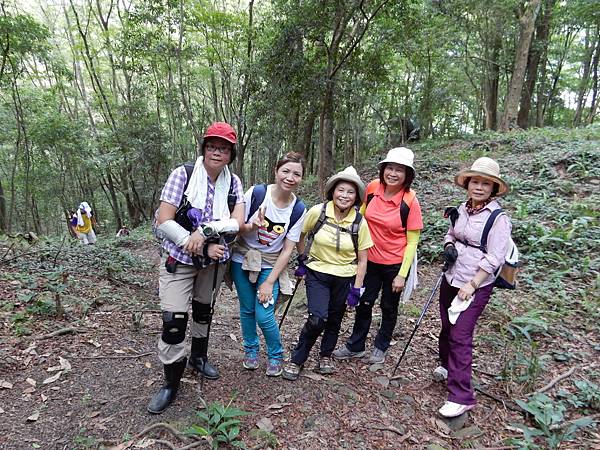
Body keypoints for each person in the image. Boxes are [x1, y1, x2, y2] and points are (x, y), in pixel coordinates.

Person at [148, 122, 245, 414]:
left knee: (204, 311)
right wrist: (194, 240)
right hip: (179, 258)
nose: (218, 152)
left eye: (224, 148)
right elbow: (164, 219)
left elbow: (236, 222)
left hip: (214, 260)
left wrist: (205, 231)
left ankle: (198, 359)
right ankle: (170, 383)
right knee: (174, 321)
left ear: (231, 154)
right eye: (213, 146)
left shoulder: (234, 183)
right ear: (204, 148)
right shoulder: (183, 174)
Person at [435, 157, 511, 418]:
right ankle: (447, 365)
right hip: (451, 276)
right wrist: (448, 247)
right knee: (447, 325)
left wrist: (473, 283)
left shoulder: (499, 219)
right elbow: (451, 234)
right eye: (475, 181)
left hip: (475, 284)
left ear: (493, 188)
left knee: (460, 334)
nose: (479, 187)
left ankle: (461, 396)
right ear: (467, 184)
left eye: (485, 183)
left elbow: (495, 257)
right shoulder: (463, 208)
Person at [333, 147, 423, 364]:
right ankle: (356, 345)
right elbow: (361, 215)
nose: (393, 173)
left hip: (394, 263)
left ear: (407, 174)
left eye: (399, 170)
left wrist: (402, 274)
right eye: (389, 168)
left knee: (388, 306)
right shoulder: (373, 188)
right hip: (369, 259)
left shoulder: (410, 201)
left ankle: (381, 346)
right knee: (364, 301)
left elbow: (412, 242)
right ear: (383, 169)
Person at [282, 166, 372, 380]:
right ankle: (297, 359)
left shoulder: (360, 222)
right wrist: (303, 258)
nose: (345, 196)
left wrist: (357, 288)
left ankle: (326, 355)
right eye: (341, 190)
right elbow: (300, 234)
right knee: (317, 318)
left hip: (345, 276)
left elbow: (363, 259)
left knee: (334, 318)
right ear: (333, 191)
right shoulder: (318, 212)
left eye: (350, 192)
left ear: (356, 196)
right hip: (318, 272)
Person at [230, 152, 307, 377]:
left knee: (264, 314)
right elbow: (237, 225)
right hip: (242, 259)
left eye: (297, 174)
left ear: (302, 178)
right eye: (286, 171)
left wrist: (270, 281)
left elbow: (288, 248)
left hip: (271, 265)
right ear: (276, 170)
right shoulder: (256, 193)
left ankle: (275, 354)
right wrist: (251, 226)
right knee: (246, 309)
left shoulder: (298, 209)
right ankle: (251, 350)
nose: (290, 177)